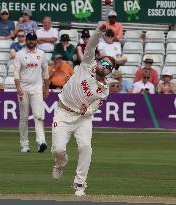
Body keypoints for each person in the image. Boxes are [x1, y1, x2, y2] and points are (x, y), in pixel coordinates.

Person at [51, 22, 116, 197]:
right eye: (103, 61)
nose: (104, 65)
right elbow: (91, 45)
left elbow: (94, 108)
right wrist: (99, 31)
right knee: (58, 150)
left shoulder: (104, 89)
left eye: (108, 66)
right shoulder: (87, 63)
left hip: (82, 119)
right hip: (63, 112)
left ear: (110, 72)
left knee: (86, 147)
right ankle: (60, 164)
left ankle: (80, 184)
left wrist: (84, 111)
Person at [14, 32, 49, 153]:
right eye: (29, 40)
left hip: (37, 89)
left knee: (39, 116)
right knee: (24, 117)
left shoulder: (41, 54)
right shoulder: (19, 54)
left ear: (36, 41)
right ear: (26, 40)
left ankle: (41, 142)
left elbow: (45, 71)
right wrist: (18, 87)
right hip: (23, 89)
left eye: (33, 40)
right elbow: (16, 72)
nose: (31, 42)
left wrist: (46, 87)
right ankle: (24, 145)